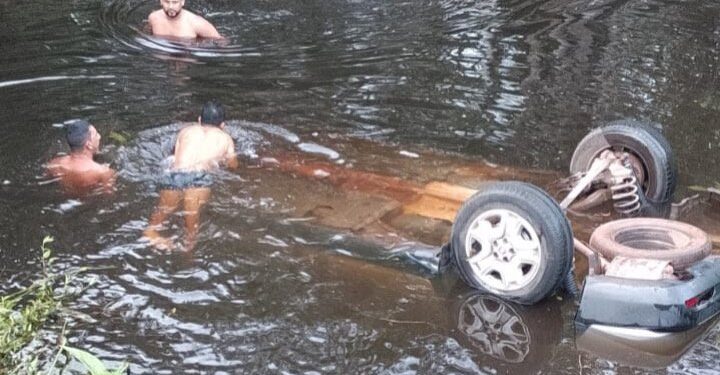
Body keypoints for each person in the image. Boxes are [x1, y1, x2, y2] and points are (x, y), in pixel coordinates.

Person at [143, 101, 238, 251]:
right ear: (222, 125)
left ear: (199, 120)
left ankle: (152, 234)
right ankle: (187, 261)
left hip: (175, 175)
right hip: (199, 178)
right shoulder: (225, 138)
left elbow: (174, 155)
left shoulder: (185, 131)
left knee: (155, 223)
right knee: (191, 234)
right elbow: (233, 166)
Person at [46, 120, 115, 196]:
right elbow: (108, 198)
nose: (99, 136)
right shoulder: (103, 172)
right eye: (96, 135)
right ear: (89, 145)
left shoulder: (55, 164)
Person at [148, 0, 222, 39]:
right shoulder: (153, 18)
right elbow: (147, 34)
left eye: (175, 2)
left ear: (182, 2)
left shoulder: (197, 23)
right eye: (166, 2)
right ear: (161, 1)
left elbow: (221, 42)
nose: (170, 6)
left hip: (186, 60)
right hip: (162, 59)